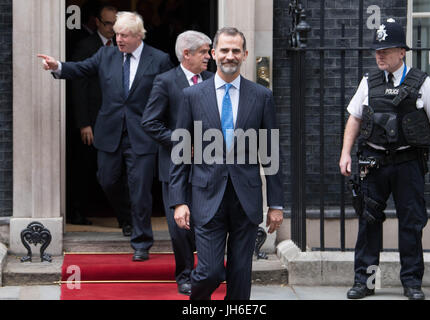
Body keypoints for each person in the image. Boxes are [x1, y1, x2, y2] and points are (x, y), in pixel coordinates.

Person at [38, 11, 173, 262]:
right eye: (116, 33)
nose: (118, 39)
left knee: (140, 189)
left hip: (142, 135)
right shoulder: (106, 54)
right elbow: (81, 69)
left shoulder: (159, 59)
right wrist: (57, 66)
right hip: (110, 131)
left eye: (124, 35)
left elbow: (170, 94)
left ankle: (142, 242)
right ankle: (128, 218)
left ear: (138, 36)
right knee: (107, 180)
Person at [169, 27, 284, 300]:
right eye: (224, 50)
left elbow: (271, 152)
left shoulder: (261, 96)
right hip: (206, 196)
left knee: (240, 274)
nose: (229, 56)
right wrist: (179, 200)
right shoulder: (193, 96)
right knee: (208, 271)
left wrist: (276, 204)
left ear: (244, 55)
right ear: (213, 53)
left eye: (235, 51)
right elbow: (181, 152)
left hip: (246, 198)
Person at [339, 19, 430, 300]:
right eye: (377, 50)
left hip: (408, 162)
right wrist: (345, 153)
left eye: (385, 50)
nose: (379, 55)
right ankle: (366, 282)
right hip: (373, 161)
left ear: (402, 52)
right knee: (369, 222)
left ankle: (412, 283)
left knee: (411, 224)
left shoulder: (421, 82)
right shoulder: (369, 81)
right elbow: (355, 117)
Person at [141, 30, 213, 295]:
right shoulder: (165, 81)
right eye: (204, 52)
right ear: (187, 53)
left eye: (208, 51)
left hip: (209, 164)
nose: (209, 56)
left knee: (207, 220)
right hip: (174, 166)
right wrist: (181, 142)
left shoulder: (213, 79)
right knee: (180, 225)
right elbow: (150, 122)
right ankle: (184, 274)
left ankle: (205, 270)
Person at [66, 5, 126, 230]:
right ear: (97, 23)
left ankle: (123, 216)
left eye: (115, 24)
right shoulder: (87, 46)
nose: (112, 28)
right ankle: (78, 212)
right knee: (85, 168)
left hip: (116, 121)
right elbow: (79, 87)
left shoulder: (123, 47)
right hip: (92, 121)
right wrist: (84, 123)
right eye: (108, 23)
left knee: (117, 171)